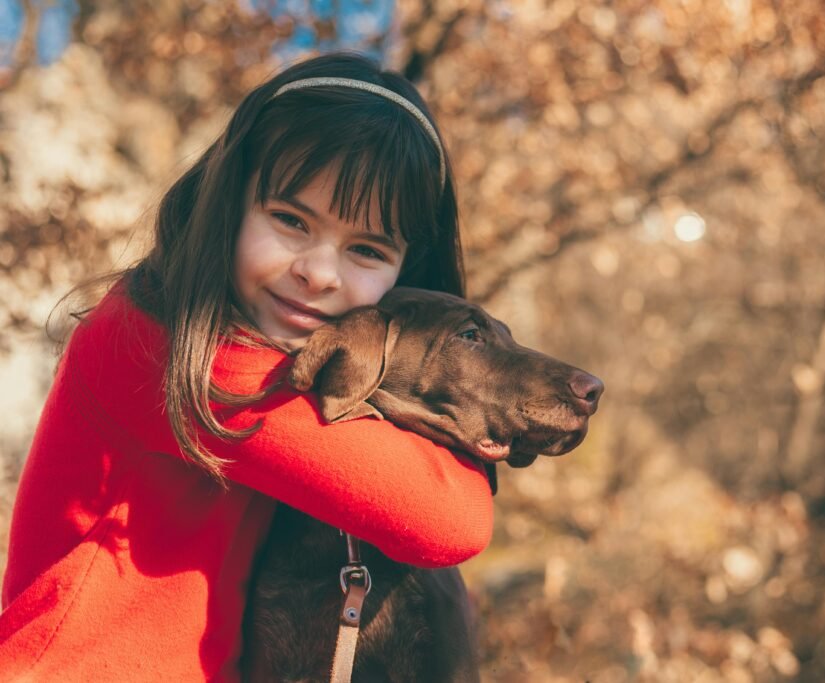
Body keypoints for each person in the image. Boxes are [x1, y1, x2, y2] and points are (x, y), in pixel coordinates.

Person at [0, 52, 493, 681]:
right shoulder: (166, 346)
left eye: (366, 250)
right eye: (290, 220)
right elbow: (450, 518)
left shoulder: (271, 354)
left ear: (406, 273)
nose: (318, 272)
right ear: (229, 201)